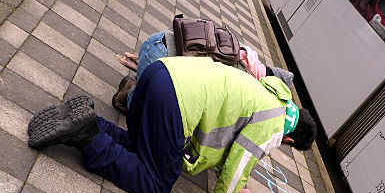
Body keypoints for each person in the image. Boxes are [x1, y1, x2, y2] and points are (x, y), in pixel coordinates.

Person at [27, 56, 317, 193]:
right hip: (174, 101)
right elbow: (239, 161)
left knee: (142, 148)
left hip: (161, 72)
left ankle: (90, 122)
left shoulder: (270, 93)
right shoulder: (275, 125)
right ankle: (87, 138)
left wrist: (238, 186)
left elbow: (232, 135)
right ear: (290, 140)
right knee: (157, 184)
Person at [112, 28, 295, 114]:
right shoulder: (245, 82)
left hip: (156, 40)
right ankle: (131, 94)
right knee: (154, 120)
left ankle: (141, 83)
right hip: (158, 62)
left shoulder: (246, 55)